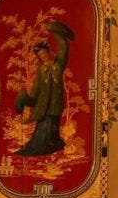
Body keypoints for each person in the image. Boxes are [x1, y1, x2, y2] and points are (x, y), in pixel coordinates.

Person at [14, 20, 75, 156]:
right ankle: (43, 147)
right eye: (40, 55)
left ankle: (53, 146)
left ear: (48, 51)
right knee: (43, 129)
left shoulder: (58, 64)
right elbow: (36, 90)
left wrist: (56, 32)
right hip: (44, 105)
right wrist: (25, 98)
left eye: (44, 53)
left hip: (55, 103)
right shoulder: (41, 70)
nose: (43, 56)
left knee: (53, 127)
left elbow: (63, 49)